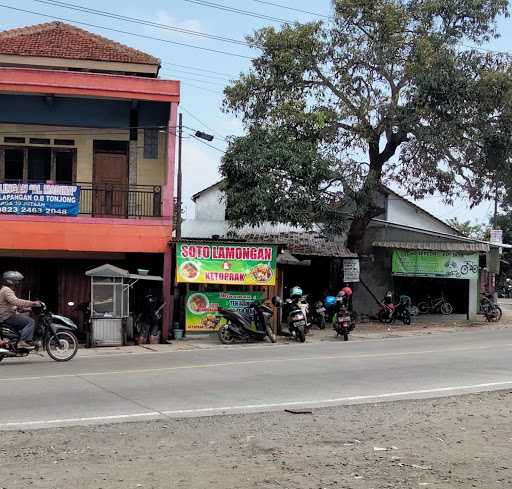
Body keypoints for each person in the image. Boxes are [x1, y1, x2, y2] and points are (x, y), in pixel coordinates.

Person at [0, 271, 40, 349]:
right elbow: (16, 301)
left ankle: (16, 342)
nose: (18, 282)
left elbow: (13, 306)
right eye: (16, 280)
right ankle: (23, 342)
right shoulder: (6, 290)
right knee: (30, 322)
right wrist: (33, 303)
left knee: (23, 321)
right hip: (6, 316)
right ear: (11, 280)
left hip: (6, 314)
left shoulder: (5, 290)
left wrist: (29, 309)